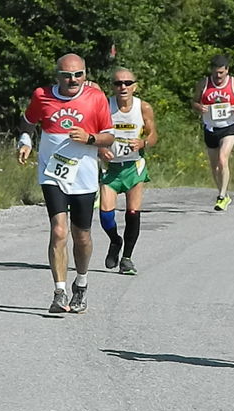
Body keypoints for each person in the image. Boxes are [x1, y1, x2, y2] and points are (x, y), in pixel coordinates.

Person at [17, 53, 115, 314]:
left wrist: (90, 139)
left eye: (78, 74)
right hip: (53, 173)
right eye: (67, 75)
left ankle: (80, 284)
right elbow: (27, 122)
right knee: (59, 230)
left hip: (83, 176)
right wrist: (25, 141)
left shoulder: (96, 98)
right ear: (57, 75)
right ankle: (59, 292)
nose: (73, 80)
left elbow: (109, 137)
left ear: (85, 74)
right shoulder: (42, 96)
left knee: (81, 236)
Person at [98, 68, 158, 275]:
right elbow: (94, 134)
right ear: (112, 87)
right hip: (111, 167)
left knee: (133, 212)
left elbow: (153, 136)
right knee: (106, 214)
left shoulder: (144, 108)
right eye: (118, 83)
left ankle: (127, 259)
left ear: (135, 86)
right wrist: (101, 149)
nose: (122, 87)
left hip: (134, 166)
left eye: (127, 83)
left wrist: (143, 142)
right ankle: (115, 240)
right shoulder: (105, 106)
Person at [192, 54, 234, 211]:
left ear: (227, 70)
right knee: (214, 166)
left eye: (221, 73)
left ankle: (221, 196)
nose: (218, 76)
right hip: (210, 127)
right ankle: (224, 194)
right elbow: (194, 101)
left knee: (222, 159)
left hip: (229, 126)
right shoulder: (204, 83)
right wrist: (199, 107)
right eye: (215, 73)